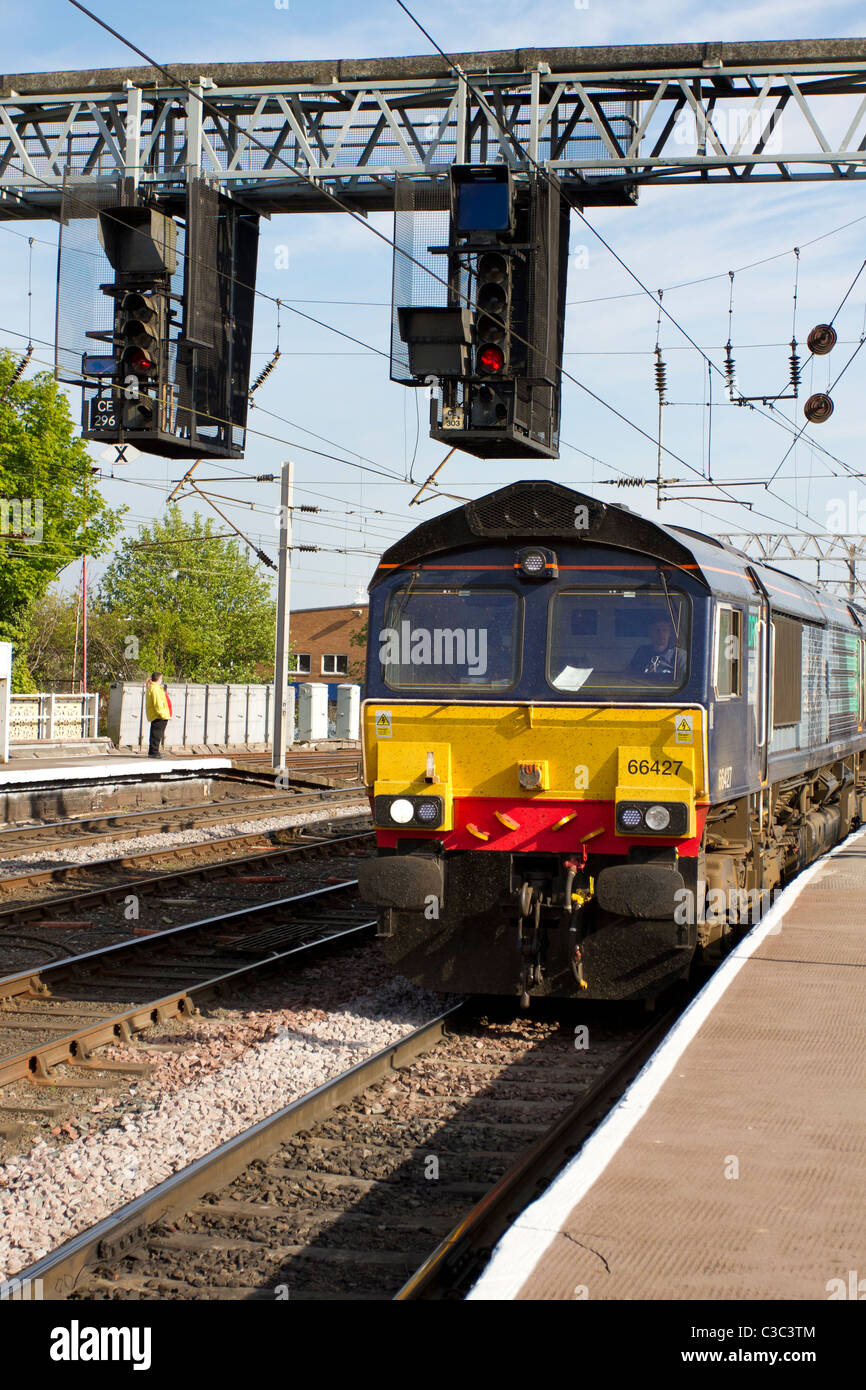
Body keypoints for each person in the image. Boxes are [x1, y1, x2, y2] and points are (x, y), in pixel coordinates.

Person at [145, 672, 172, 758]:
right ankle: (154, 751)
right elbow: (158, 703)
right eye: (161, 678)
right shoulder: (155, 688)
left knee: (156, 733)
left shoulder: (154, 687)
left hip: (158, 714)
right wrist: (163, 714)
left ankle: (153, 751)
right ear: (159, 679)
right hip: (159, 715)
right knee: (156, 734)